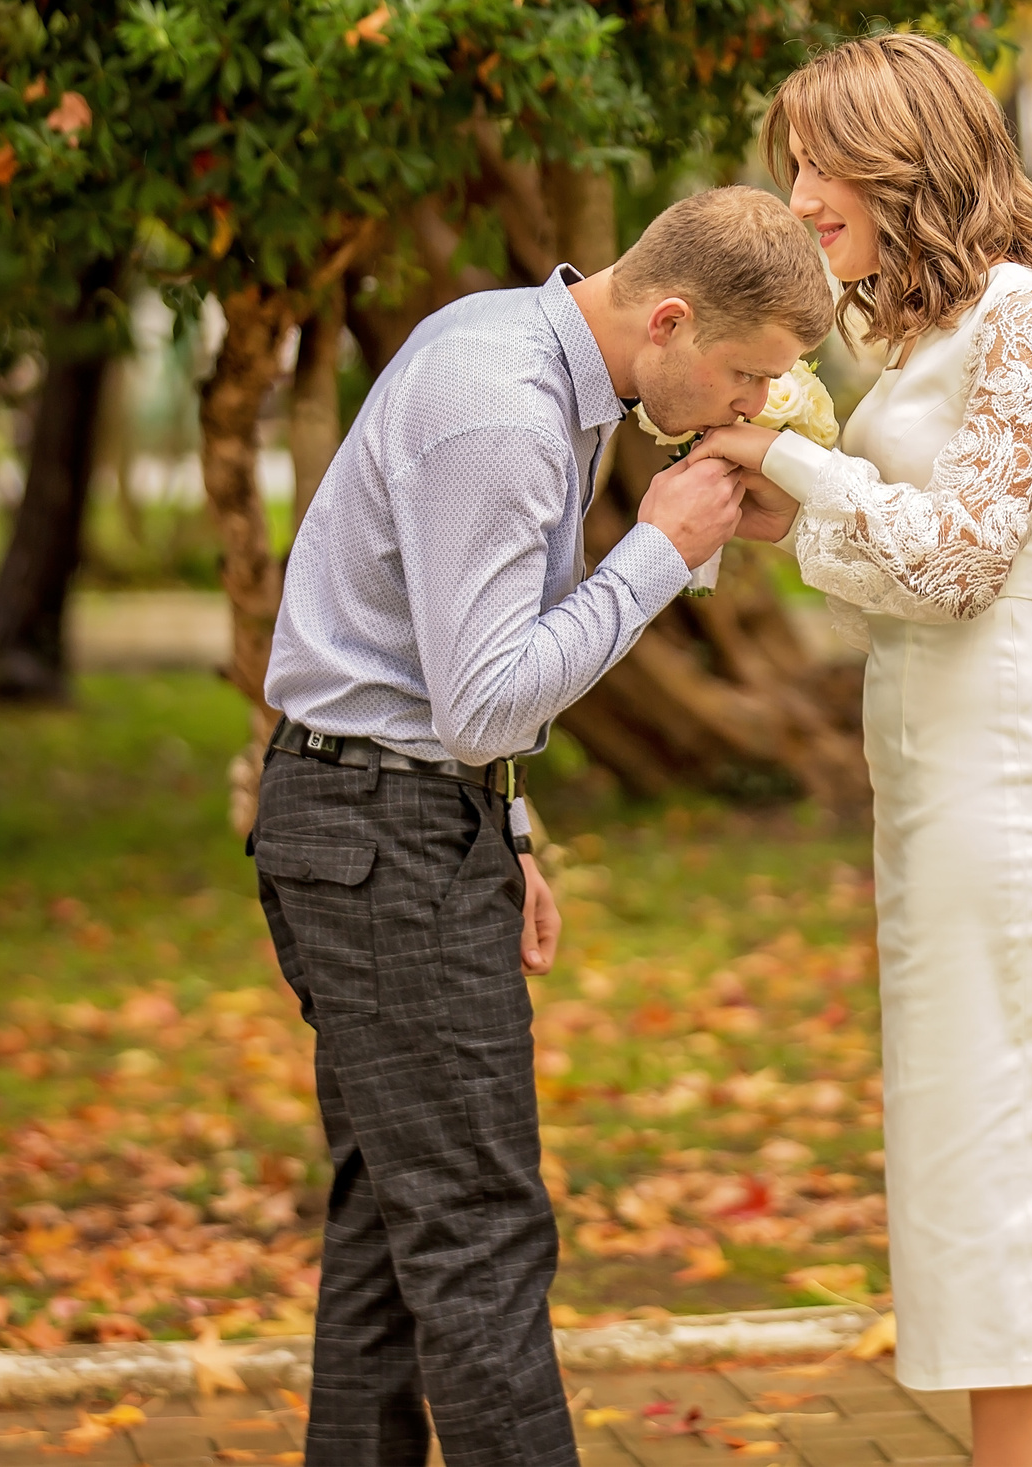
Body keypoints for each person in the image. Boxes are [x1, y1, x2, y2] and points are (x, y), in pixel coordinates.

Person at [253, 185, 830, 1467]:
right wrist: (655, 555)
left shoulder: (523, 352)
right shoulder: (503, 410)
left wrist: (500, 830)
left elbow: (458, 663)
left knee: (392, 1230)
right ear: (668, 321)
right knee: (477, 1234)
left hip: (394, 817)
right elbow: (480, 702)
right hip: (377, 833)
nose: (754, 403)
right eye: (746, 375)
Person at [692, 34, 1032, 1467]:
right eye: (794, 164)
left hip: (1000, 769)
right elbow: (892, 572)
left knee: (998, 1131)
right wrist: (782, 510)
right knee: (956, 1131)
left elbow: (966, 564)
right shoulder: (922, 336)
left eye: (824, 164)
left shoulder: (1024, 321)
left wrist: (799, 465)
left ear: (904, 160)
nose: (800, 195)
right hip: (927, 772)